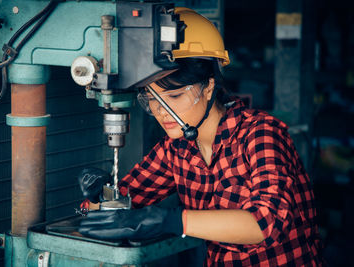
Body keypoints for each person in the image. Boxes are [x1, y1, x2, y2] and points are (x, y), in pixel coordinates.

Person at [78, 7, 324, 266]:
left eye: (174, 97)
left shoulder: (260, 134)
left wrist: (173, 220)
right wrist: (100, 197)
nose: (161, 111)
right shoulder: (176, 149)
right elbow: (121, 203)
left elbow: (263, 223)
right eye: (151, 99)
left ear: (208, 87)